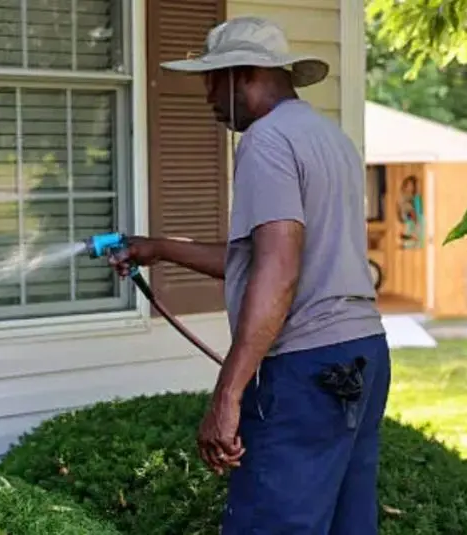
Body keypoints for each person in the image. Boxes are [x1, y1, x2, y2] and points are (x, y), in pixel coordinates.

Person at [108, 16, 392, 535]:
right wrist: (159, 248)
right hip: (363, 355)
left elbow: (279, 273)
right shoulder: (330, 139)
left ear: (241, 75)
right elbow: (271, 259)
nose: (207, 97)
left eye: (210, 80)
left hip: (308, 369)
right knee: (349, 523)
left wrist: (227, 395)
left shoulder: (265, 141)